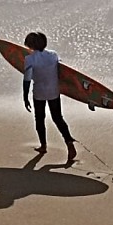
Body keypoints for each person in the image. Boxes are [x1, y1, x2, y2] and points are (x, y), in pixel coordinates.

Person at [22, 32, 76, 162]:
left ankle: (43, 146)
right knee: (58, 118)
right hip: (53, 91)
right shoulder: (53, 55)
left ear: (30, 45)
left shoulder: (29, 59)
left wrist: (25, 97)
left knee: (40, 119)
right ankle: (69, 142)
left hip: (39, 93)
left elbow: (27, 79)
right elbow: (61, 72)